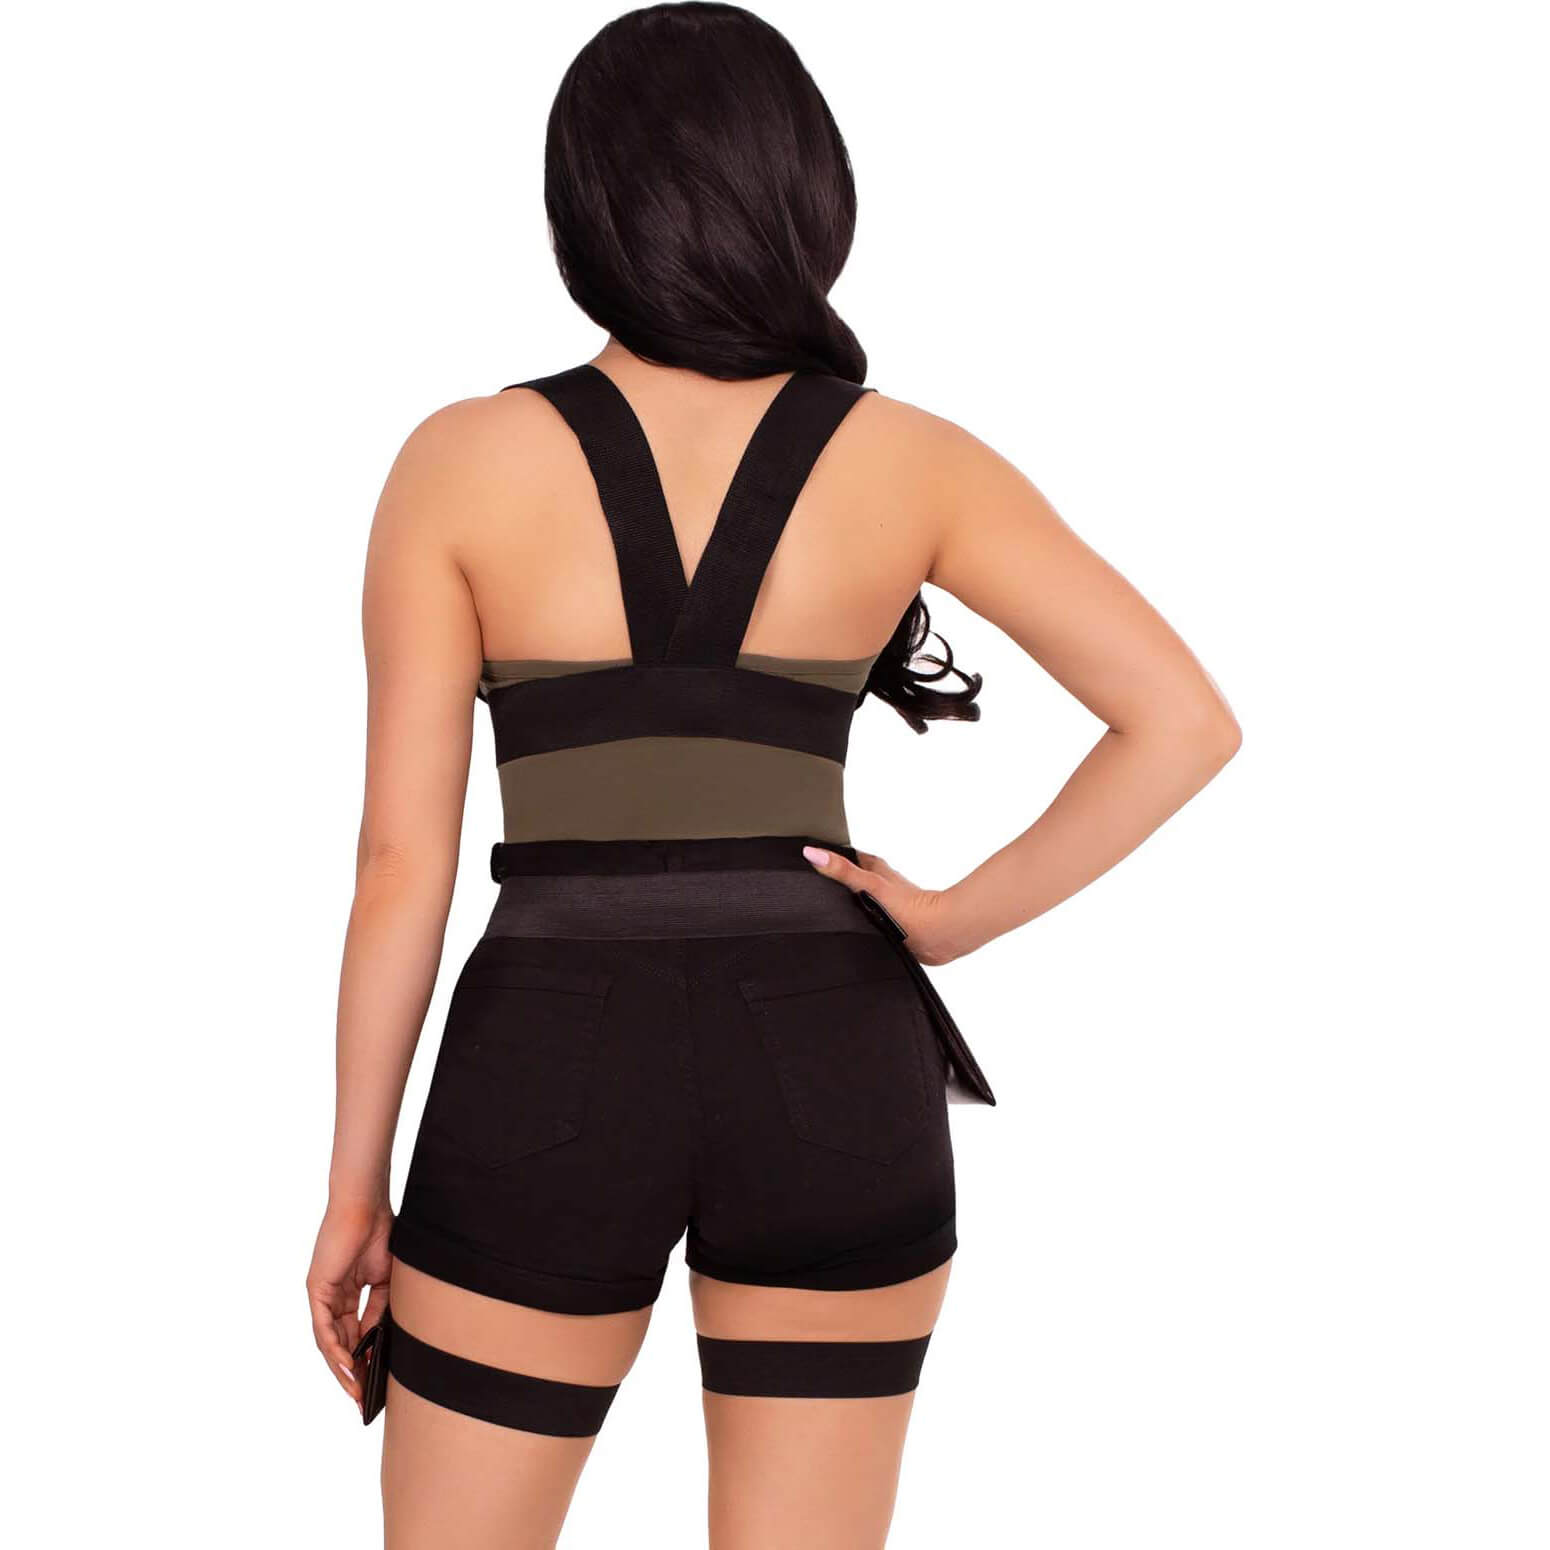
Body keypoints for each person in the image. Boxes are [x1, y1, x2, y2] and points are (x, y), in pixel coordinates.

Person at [306, 5, 1241, 1545]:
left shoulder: (457, 461)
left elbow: (399, 865)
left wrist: (355, 1188)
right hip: (827, 1048)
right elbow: (1181, 720)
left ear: (581, 207)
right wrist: (950, 919)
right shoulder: (911, 458)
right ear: (803, 192)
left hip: (548, 1055)